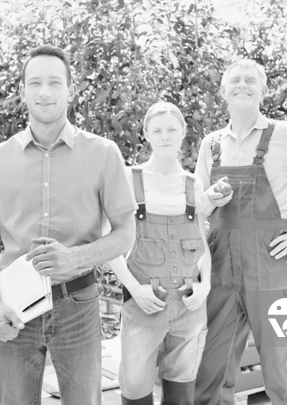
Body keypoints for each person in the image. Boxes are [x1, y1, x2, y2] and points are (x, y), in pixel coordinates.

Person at [0, 44, 137, 405]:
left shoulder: (103, 154)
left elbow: (126, 234)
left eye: (55, 82)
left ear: (70, 90)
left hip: (78, 302)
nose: (44, 92)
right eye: (36, 82)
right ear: (22, 90)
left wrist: (74, 258)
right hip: (16, 309)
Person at [193, 59, 287, 405]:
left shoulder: (284, 135)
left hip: (272, 268)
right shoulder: (211, 145)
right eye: (235, 80)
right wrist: (210, 199)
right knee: (211, 371)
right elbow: (198, 210)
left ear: (263, 91)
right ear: (223, 91)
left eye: (251, 80)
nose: (243, 85)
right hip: (219, 269)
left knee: (281, 371)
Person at [108, 101, 211, 405]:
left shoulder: (194, 185)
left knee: (181, 389)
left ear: (182, 134)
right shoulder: (129, 178)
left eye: (171, 129)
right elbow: (110, 240)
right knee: (135, 387)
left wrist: (205, 284)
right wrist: (134, 289)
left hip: (189, 305)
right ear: (147, 135)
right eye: (157, 130)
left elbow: (201, 243)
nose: (165, 136)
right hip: (144, 303)